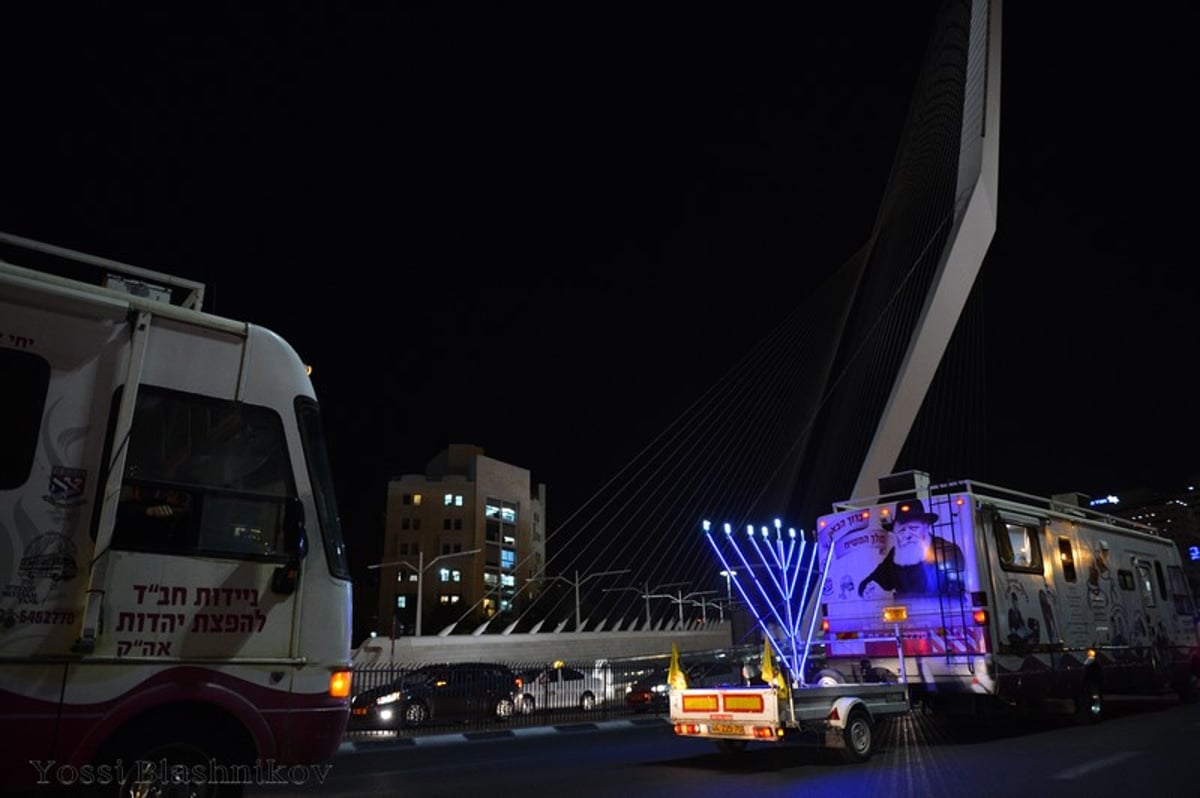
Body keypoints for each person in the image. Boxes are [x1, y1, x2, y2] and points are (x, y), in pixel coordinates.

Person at [859, 499, 965, 597]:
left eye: (914, 528)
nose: (908, 535)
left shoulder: (947, 550)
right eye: (901, 531)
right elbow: (873, 581)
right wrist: (869, 587)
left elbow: (958, 588)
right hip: (907, 615)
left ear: (926, 526)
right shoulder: (896, 554)